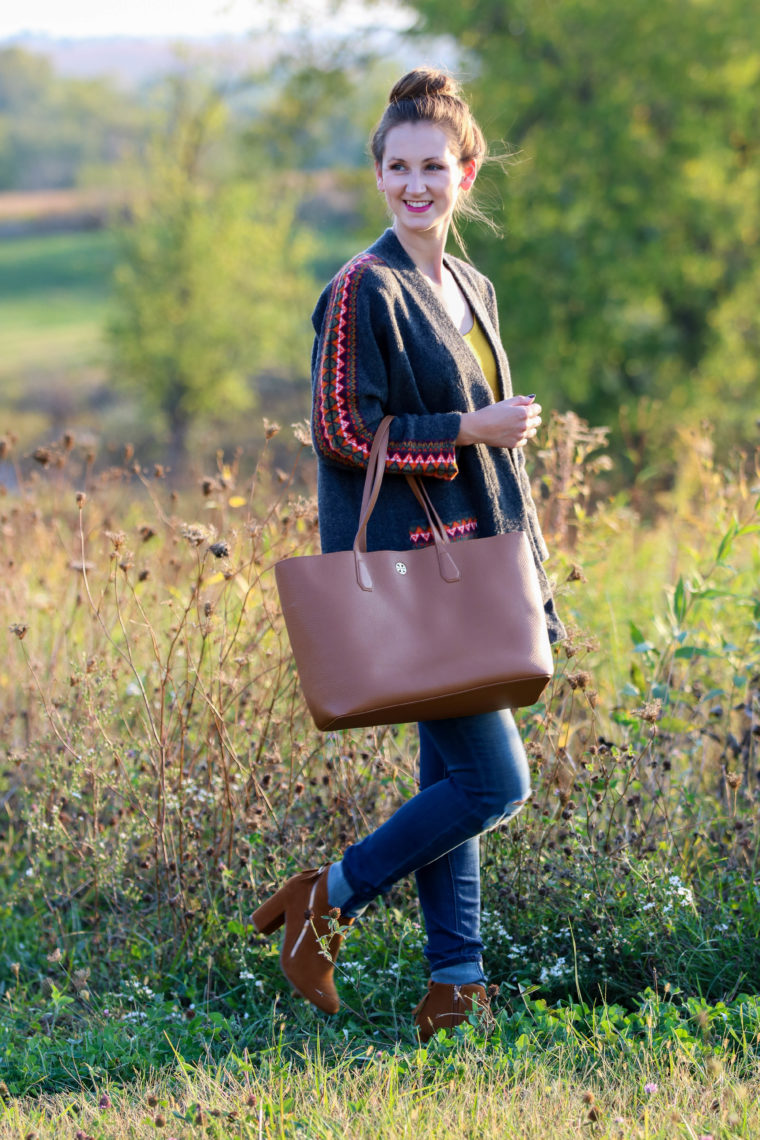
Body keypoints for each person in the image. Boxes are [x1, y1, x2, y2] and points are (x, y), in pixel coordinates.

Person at [252, 67, 564, 1040]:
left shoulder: (473, 286)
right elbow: (346, 429)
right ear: (378, 175)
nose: (415, 184)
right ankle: (327, 899)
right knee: (491, 784)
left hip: (479, 571)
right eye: (398, 167)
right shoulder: (360, 289)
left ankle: (454, 987)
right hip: (414, 578)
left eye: (434, 165)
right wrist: (472, 428)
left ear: (464, 174)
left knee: (448, 784)